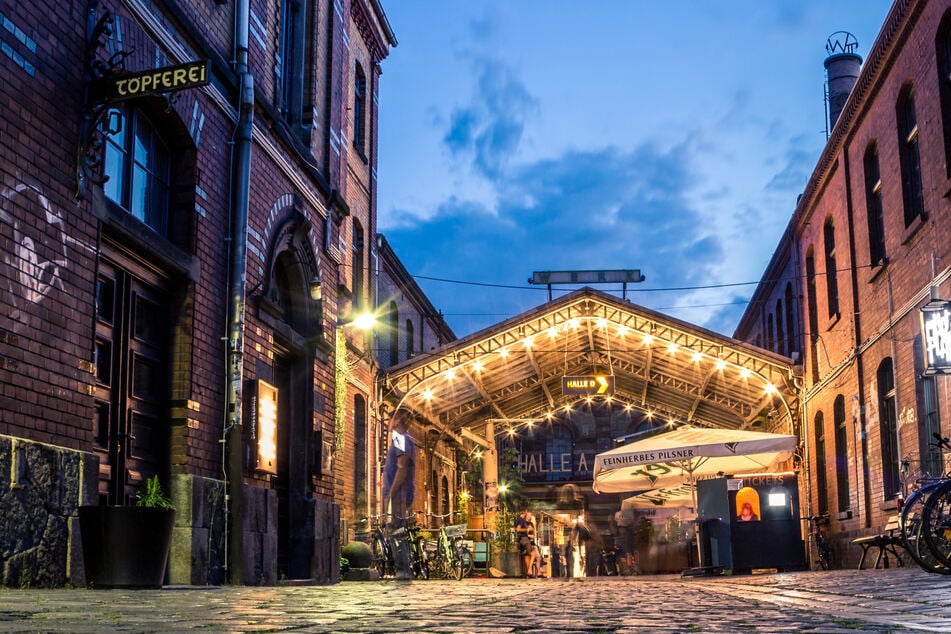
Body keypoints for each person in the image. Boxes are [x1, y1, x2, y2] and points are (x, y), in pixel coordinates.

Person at [383, 410, 416, 579]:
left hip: (399, 494)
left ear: (396, 421)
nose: (388, 423)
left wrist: (391, 492)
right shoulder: (403, 439)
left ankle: (403, 571)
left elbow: (402, 467)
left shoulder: (399, 437)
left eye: (390, 419)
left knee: (396, 531)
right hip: (400, 492)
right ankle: (402, 571)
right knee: (396, 530)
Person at [514, 508, 537, 577]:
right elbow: (518, 529)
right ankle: (529, 570)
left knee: (527, 555)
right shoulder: (521, 520)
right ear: (525, 512)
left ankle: (529, 572)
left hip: (520, 539)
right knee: (533, 553)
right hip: (524, 539)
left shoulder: (517, 519)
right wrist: (527, 530)